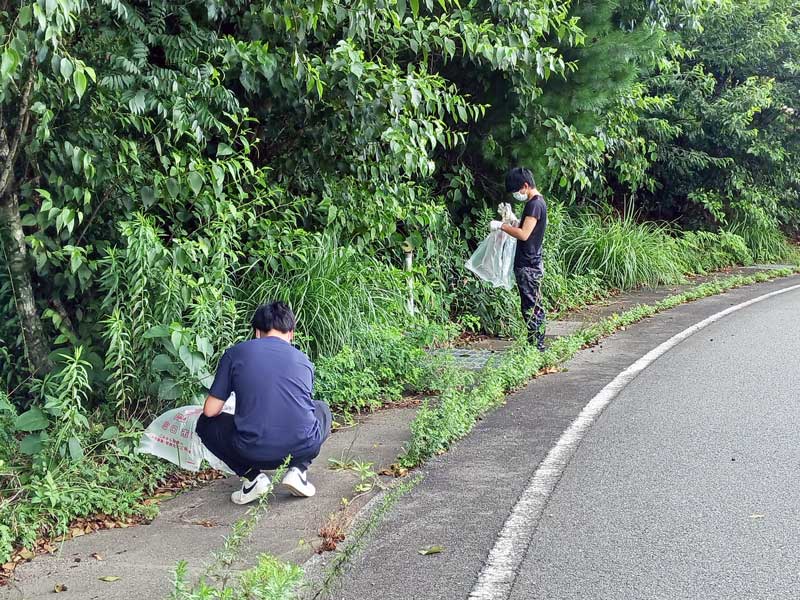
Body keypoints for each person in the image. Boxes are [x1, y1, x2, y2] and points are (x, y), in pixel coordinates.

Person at [196, 301, 332, 505]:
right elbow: (301, 406)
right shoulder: (304, 360)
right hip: (301, 447)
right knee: (322, 409)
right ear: (291, 332)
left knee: (205, 423)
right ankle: (299, 470)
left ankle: (253, 478)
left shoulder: (235, 353)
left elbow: (210, 410)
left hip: (251, 451)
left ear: (257, 332)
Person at [490, 167, 548, 350]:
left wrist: (502, 226)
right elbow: (527, 230)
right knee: (533, 304)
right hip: (532, 261)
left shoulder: (534, 204)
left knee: (531, 307)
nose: (517, 195)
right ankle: (536, 344)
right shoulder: (537, 203)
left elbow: (524, 234)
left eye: (517, 191)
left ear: (525, 186)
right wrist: (513, 222)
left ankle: (536, 347)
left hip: (528, 264)